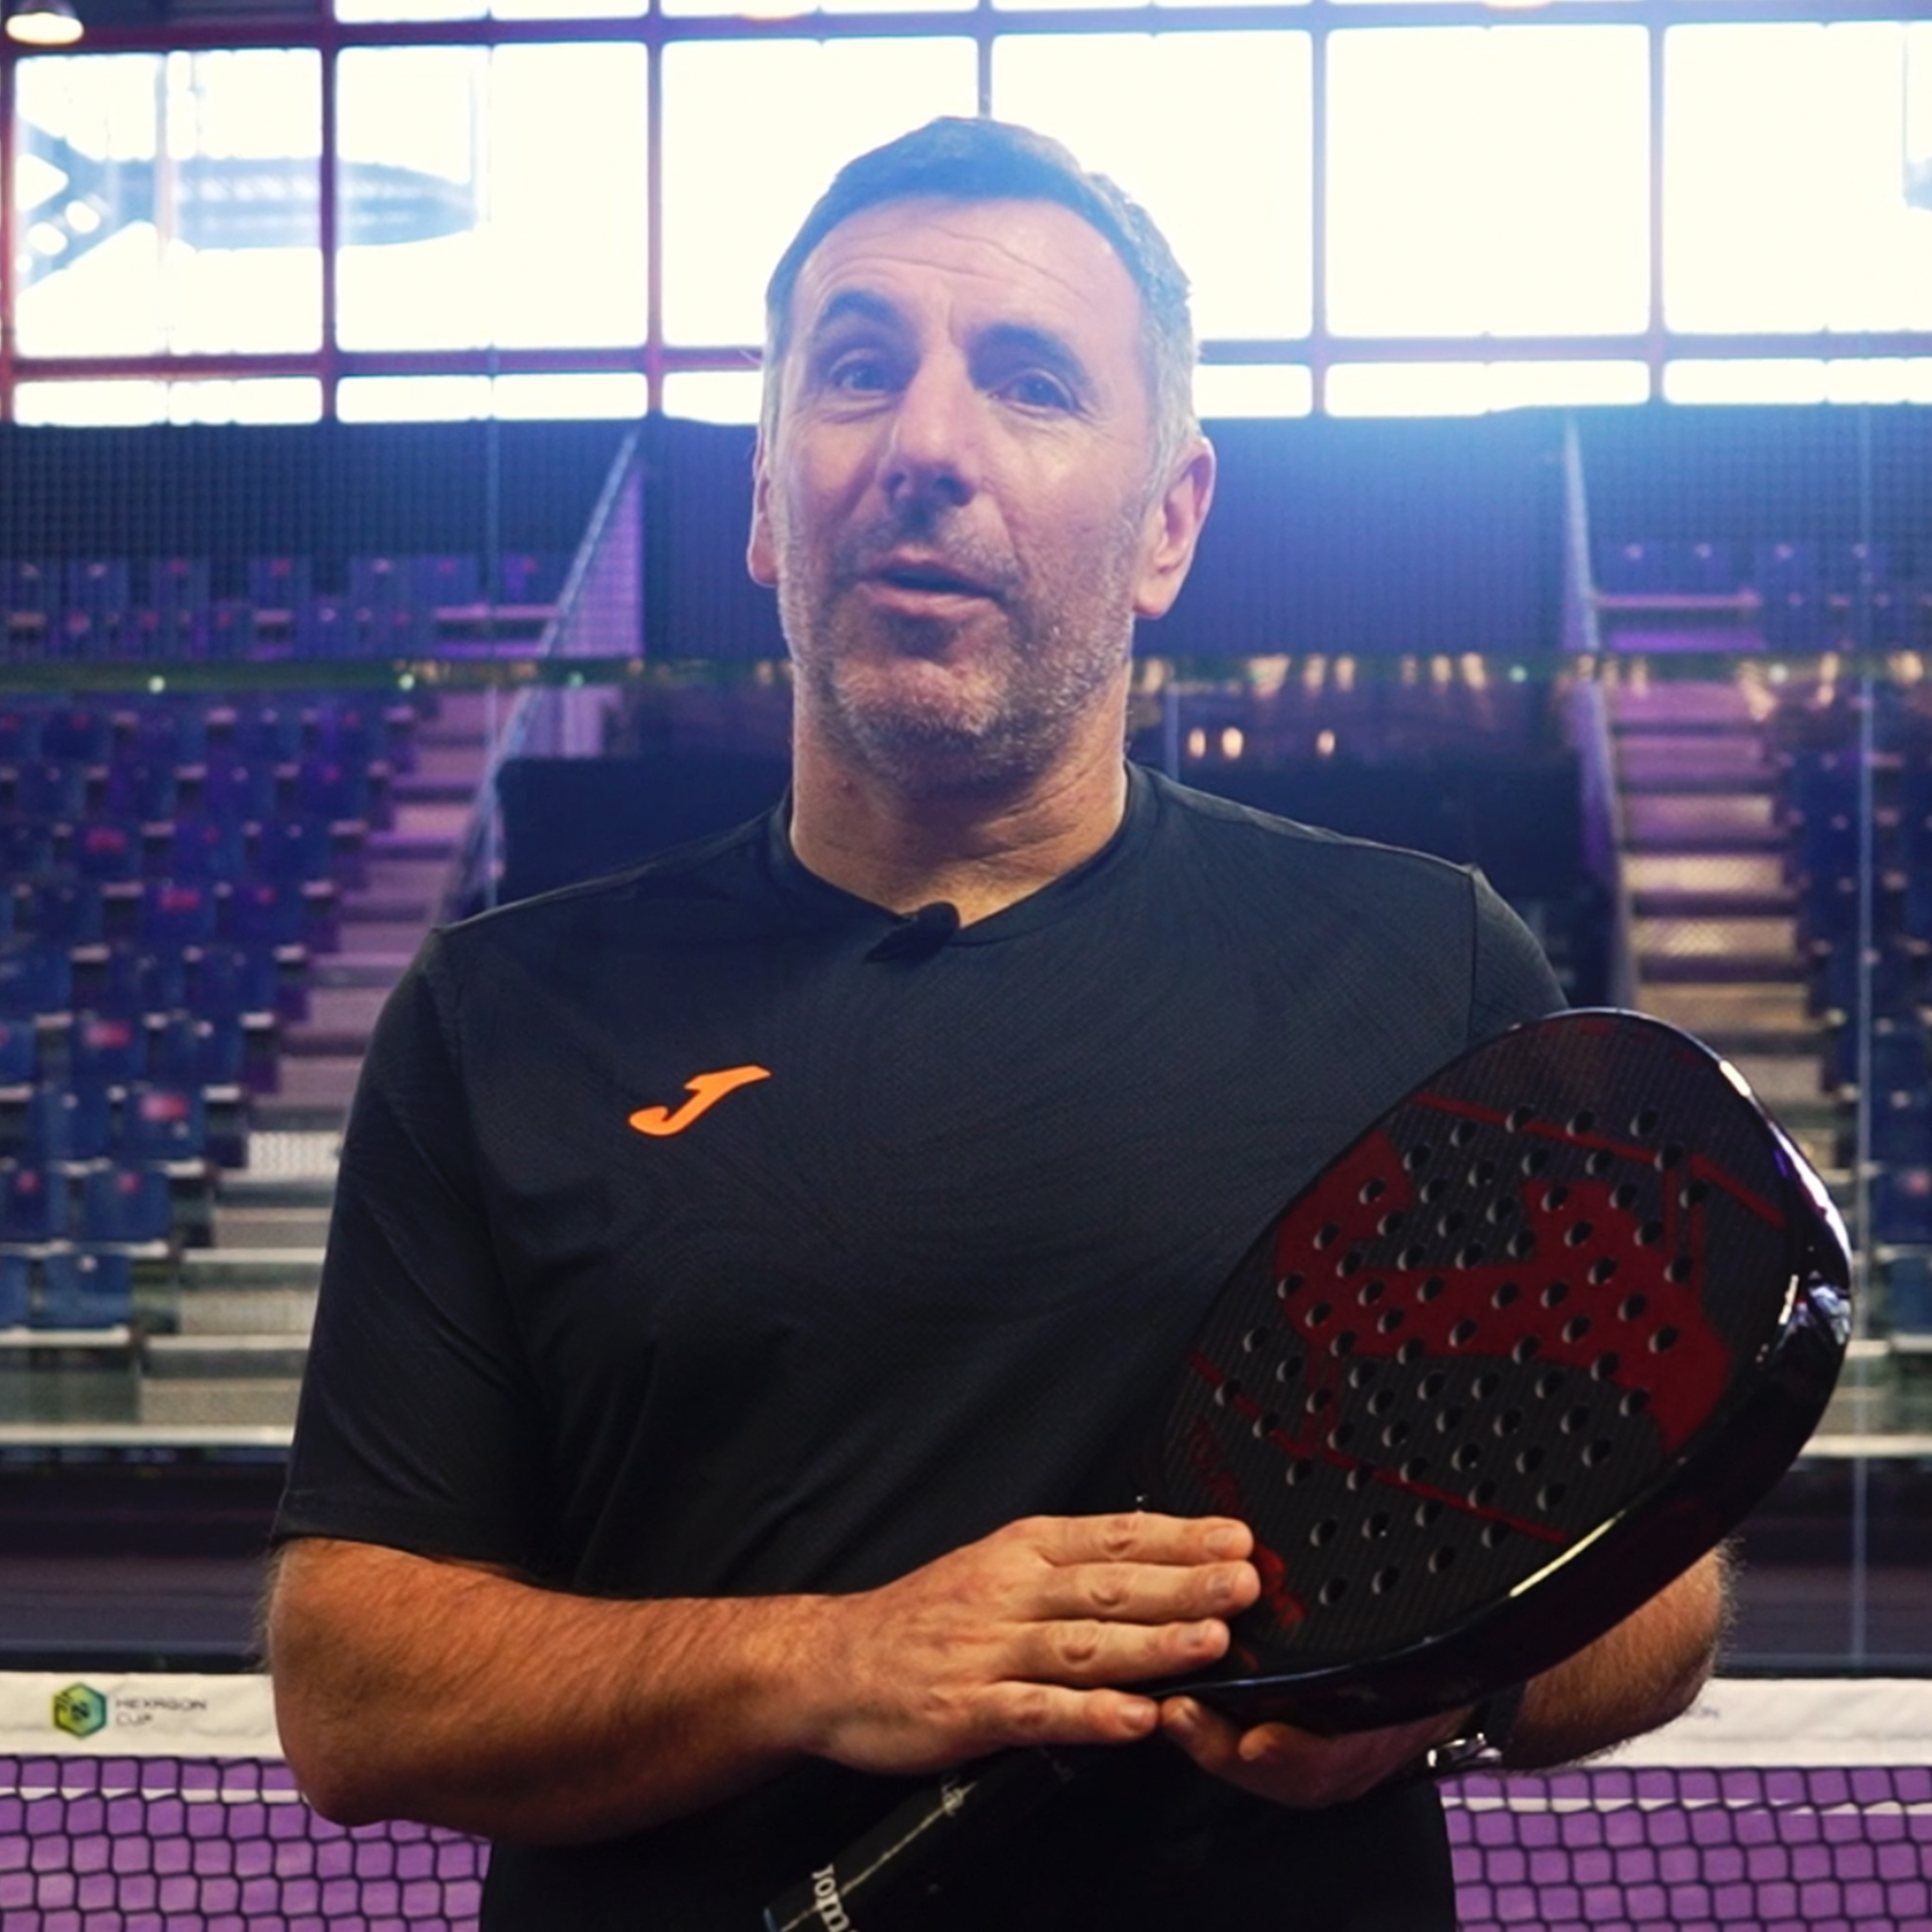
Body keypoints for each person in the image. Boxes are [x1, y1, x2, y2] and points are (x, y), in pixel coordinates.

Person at [267, 117, 1725, 1930]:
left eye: (1031, 383)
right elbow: (353, 1688)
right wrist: (828, 1662)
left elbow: (1656, 1605)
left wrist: (1438, 1681)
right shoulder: (500, 1015)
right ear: (764, 496)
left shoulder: (1427, 967)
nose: (926, 447)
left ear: (1167, 522)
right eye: (856, 370)